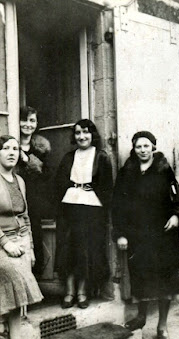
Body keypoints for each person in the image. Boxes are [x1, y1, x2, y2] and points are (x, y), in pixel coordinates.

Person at [112, 131, 179, 339]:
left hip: (164, 235)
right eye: (138, 147)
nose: (143, 150)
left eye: (147, 146)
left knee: (166, 281)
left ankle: (162, 325)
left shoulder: (164, 170)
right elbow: (117, 206)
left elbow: (178, 199)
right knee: (142, 277)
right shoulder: (127, 172)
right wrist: (121, 234)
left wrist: (176, 216)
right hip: (138, 236)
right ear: (134, 149)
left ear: (153, 147)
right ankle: (141, 317)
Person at [0, 135, 43, 339]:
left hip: (21, 239)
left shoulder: (20, 181)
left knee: (18, 286)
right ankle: (0, 318)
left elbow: (25, 217)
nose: (11, 152)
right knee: (19, 280)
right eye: (6, 148)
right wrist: (5, 243)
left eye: (16, 149)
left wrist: (31, 247)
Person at [55, 119, 113, 309]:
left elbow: (106, 188)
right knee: (68, 248)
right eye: (78, 133)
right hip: (70, 207)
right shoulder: (69, 157)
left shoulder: (101, 157)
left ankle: (82, 292)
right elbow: (59, 184)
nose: (82, 136)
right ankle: (69, 291)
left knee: (86, 249)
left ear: (92, 135)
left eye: (86, 132)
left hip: (92, 208)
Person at [17, 106, 51, 277]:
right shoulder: (10, 145)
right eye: (24, 120)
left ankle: (34, 283)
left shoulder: (41, 148)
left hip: (34, 199)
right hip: (14, 197)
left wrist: (27, 159)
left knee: (35, 239)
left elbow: (46, 175)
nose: (28, 124)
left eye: (32, 120)